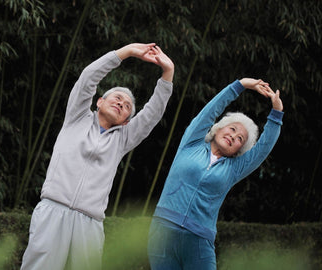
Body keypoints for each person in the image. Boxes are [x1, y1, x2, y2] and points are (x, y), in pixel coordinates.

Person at [20, 43, 174, 270]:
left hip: (90, 222)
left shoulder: (123, 138)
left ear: (126, 121)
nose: (122, 103)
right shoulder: (77, 116)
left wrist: (168, 73)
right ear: (99, 101)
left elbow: (152, 114)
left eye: (127, 106)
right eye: (117, 98)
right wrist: (128, 51)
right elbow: (88, 77)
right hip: (54, 210)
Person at [147, 78, 284, 270]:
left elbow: (263, 148)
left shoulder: (234, 168)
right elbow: (210, 110)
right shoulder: (191, 143)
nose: (233, 136)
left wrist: (276, 113)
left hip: (199, 240)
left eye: (240, 139)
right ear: (219, 128)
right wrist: (241, 85)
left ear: (239, 150)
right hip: (163, 231)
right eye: (232, 129)